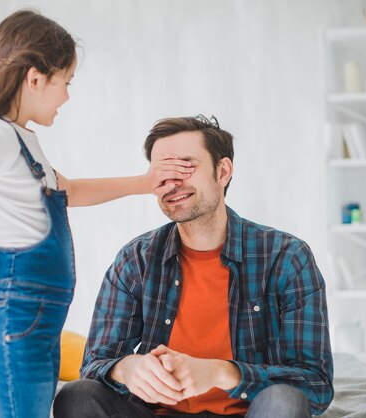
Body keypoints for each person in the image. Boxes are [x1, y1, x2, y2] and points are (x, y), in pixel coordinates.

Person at [0, 10, 192, 418]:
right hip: (15, 323)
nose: (66, 95)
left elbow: (72, 191)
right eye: (65, 81)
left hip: (36, 325)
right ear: (35, 78)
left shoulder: (22, 141)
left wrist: (143, 182)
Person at [54, 115, 334, 418]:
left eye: (186, 167)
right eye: (161, 173)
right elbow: (94, 366)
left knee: (284, 402)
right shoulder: (135, 260)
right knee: (76, 396)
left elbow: (315, 386)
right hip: (154, 413)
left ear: (222, 171)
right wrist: (126, 368)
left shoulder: (287, 257)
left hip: (251, 413)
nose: (172, 183)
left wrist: (220, 373)